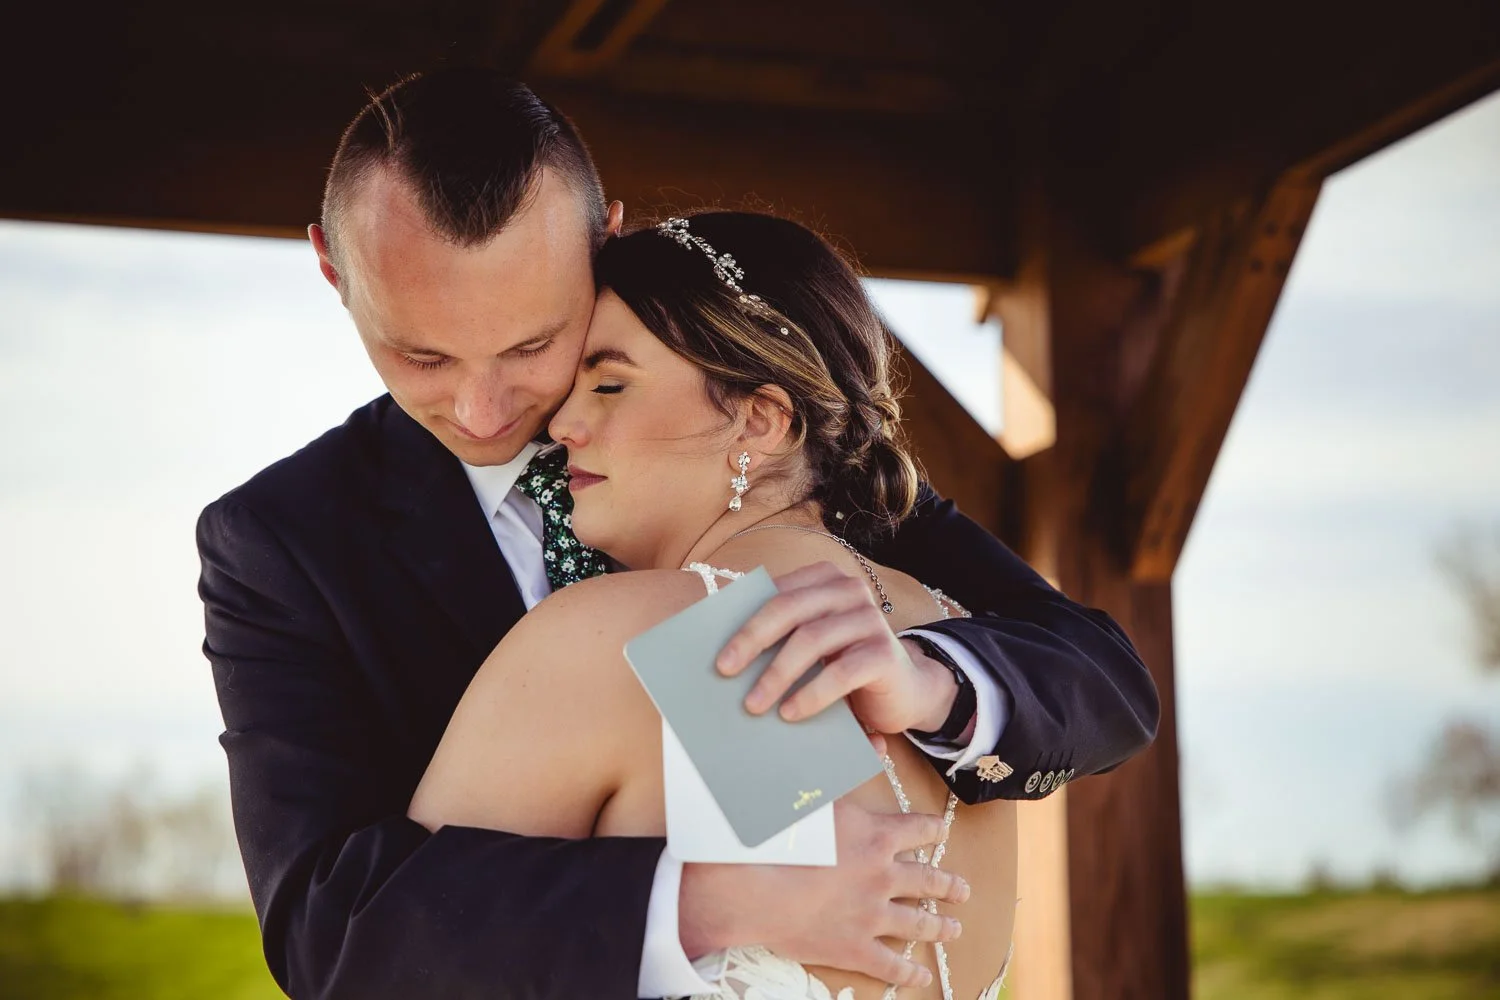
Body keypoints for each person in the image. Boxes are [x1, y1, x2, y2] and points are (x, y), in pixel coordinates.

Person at [197, 68, 1159, 1000]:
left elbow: (1099, 677)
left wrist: (927, 682)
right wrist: (707, 905)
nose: (485, 408)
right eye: (422, 355)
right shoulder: (282, 542)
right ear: (333, 268)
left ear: (603, 244)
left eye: (536, 346)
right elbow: (331, 936)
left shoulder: (809, 501)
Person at [410, 209, 1025, 1000]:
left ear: (759, 420)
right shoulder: (958, 644)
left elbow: (399, 959)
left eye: (609, 384)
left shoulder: (617, 638)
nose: (561, 425)